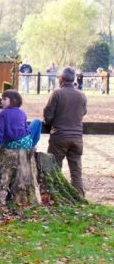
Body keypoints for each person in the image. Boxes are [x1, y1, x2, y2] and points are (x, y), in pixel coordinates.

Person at [43, 66, 88, 195]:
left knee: (54, 168)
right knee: (76, 172)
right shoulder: (81, 95)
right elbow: (83, 112)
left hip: (59, 136)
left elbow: (48, 114)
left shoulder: (57, 94)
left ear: (61, 79)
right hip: (77, 138)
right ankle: (79, 196)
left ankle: (54, 195)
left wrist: (48, 124)